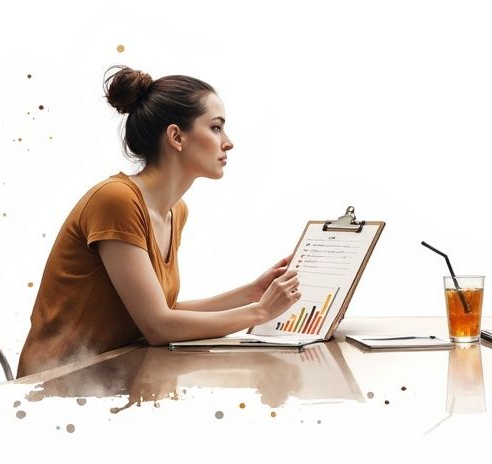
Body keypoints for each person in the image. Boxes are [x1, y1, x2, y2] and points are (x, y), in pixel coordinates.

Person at [17, 66, 302, 377]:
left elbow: (163, 312)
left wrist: (251, 293)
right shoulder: (116, 200)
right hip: (61, 382)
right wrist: (259, 312)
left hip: (117, 371)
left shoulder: (174, 211)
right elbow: (158, 326)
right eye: (216, 128)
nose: (228, 142)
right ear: (176, 136)